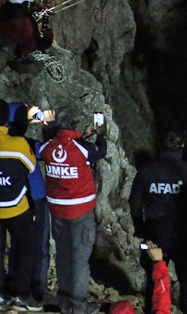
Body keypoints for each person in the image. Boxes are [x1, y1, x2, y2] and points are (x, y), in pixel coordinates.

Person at [129, 131, 187, 314]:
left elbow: (135, 203)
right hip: (184, 232)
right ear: (181, 147)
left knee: (154, 279)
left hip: (155, 233)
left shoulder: (147, 171)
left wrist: (140, 228)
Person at [39, 109, 107, 314]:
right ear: (76, 126)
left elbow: (65, 147)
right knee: (79, 258)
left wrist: (81, 136)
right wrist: (101, 134)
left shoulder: (48, 147)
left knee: (62, 255)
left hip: (57, 211)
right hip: (80, 210)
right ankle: (78, 305)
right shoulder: (83, 149)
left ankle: (65, 300)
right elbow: (100, 151)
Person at [5, 103, 49, 304]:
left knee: (16, 246)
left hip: (9, 201)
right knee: (35, 245)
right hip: (33, 200)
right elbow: (44, 154)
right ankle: (34, 287)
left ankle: (11, 284)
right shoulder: (27, 145)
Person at [0, 99, 38, 311]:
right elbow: (31, 168)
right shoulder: (18, 145)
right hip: (16, 207)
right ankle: (22, 295)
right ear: (7, 119)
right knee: (25, 248)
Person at [0, 0, 53, 73]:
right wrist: (47, 31)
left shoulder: (5, 12)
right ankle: (11, 64)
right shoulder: (25, 21)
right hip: (12, 49)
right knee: (38, 65)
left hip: (5, 45)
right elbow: (31, 42)